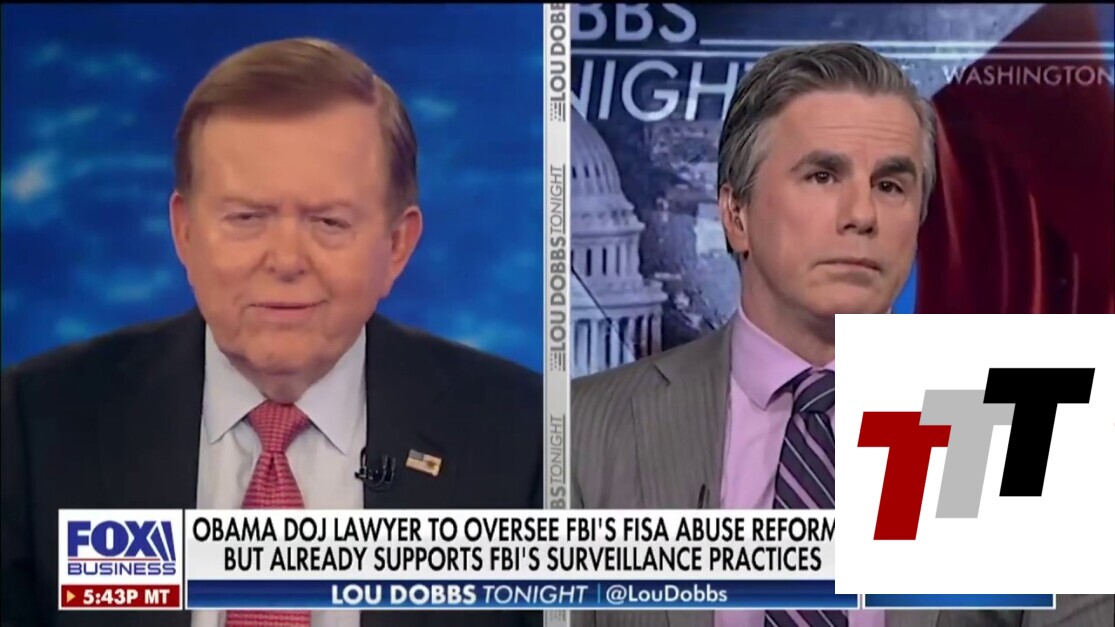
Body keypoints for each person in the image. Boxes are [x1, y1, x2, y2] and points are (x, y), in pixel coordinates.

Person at [0, 38, 542, 627]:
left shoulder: (527, 439)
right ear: (185, 232)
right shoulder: (34, 424)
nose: (286, 260)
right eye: (246, 218)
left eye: (328, 221)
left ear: (396, 245)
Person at [570, 42, 1113, 627]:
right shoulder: (585, 431)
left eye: (891, 186)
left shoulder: (1031, 421)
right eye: (823, 176)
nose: (862, 214)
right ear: (736, 214)